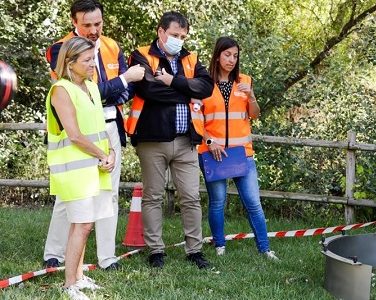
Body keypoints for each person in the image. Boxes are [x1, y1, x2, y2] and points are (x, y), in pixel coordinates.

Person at [42, 0, 144, 272]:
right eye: (86, 24)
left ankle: (107, 257)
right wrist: (122, 81)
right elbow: (99, 88)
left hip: (108, 126)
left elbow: (125, 91)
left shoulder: (112, 46)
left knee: (108, 194)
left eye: (97, 23)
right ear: (74, 22)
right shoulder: (60, 48)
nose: (93, 29)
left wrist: (119, 86)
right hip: (76, 130)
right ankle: (55, 253)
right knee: (69, 196)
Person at [128, 11, 213, 269]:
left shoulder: (191, 58)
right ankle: (156, 251)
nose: (179, 40)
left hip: (186, 140)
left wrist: (173, 81)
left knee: (191, 197)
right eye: (175, 35)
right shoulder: (141, 55)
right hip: (152, 139)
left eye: (183, 36)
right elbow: (150, 90)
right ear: (161, 32)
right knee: (153, 196)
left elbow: (206, 88)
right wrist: (186, 90)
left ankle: (194, 250)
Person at [46, 36, 116, 300]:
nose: (92, 64)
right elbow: (74, 135)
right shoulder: (61, 90)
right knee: (81, 224)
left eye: (92, 58)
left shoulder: (92, 87)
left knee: (86, 225)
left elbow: (101, 124)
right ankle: (69, 285)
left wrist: (109, 152)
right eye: (87, 60)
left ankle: (78, 276)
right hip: (74, 171)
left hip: (95, 167)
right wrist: (102, 154)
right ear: (70, 62)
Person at [199, 37, 277, 260]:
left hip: (242, 153)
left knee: (253, 202)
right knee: (218, 202)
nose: (232, 60)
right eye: (227, 55)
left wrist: (251, 96)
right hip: (214, 153)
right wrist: (209, 142)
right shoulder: (204, 83)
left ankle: (265, 249)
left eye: (235, 55)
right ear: (217, 56)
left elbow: (254, 114)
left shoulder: (245, 81)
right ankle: (220, 246)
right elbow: (197, 120)